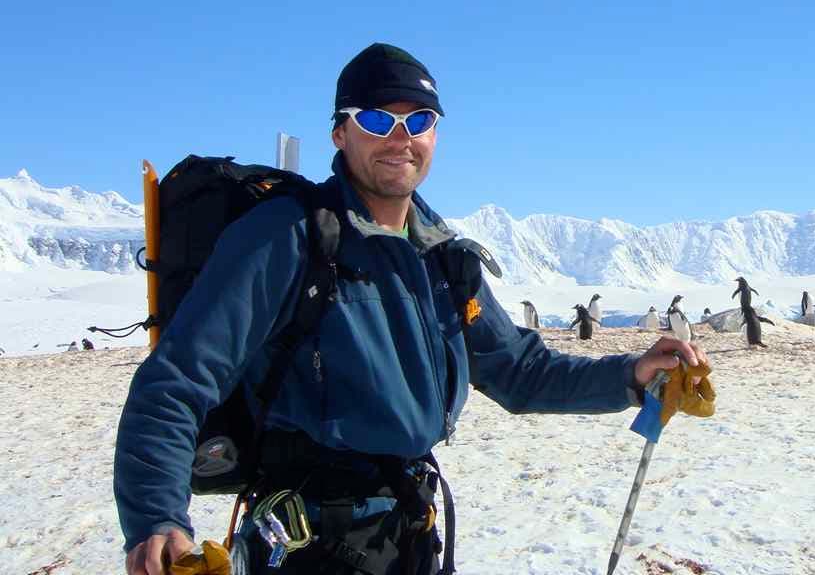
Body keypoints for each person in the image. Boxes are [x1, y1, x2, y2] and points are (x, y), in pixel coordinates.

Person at [115, 43, 707, 574]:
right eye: (377, 118)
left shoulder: (444, 257)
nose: (400, 136)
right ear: (339, 133)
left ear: (436, 134)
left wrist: (631, 374)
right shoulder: (286, 238)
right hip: (309, 545)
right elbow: (176, 381)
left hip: (408, 533)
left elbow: (522, 373)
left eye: (418, 120)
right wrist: (157, 520)